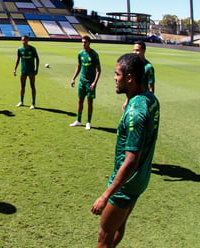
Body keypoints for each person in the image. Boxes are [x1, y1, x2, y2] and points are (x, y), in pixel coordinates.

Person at [91, 53, 160, 248]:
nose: (114, 78)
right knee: (119, 226)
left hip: (125, 184)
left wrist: (105, 196)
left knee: (104, 235)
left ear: (130, 78)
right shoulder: (151, 99)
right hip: (141, 179)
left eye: (117, 74)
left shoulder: (135, 114)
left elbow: (130, 161)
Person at [70, 36, 101, 130]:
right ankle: (78, 120)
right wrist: (73, 78)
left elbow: (99, 70)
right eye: (82, 42)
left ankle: (88, 122)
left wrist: (95, 82)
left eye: (85, 42)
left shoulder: (94, 54)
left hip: (90, 83)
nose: (83, 44)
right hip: (82, 82)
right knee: (80, 101)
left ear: (89, 43)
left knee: (89, 102)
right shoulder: (80, 54)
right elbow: (78, 66)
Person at [123, 41, 155, 110]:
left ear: (143, 51)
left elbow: (151, 88)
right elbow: (130, 86)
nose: (135, 52)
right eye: (133, 50)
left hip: (142, 101)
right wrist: (127, 101)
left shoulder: (148, 67)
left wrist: (150, 103)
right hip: (132, 100)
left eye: (137, 50)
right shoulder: (132, 65)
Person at [13, 35, 40, 109]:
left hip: (31, 71)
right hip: (23, 70)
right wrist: (15, 69)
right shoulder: (20, 49)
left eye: (25, 40)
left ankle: (33, 103)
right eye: (22, 40)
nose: (23, 41)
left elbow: (37, 59)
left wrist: (36, 70)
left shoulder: (32, 49)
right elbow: (18, 59)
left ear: (28, 40)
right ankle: (21, 102)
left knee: (32, 86)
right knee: (22, 86)